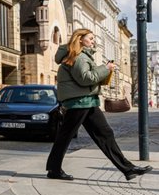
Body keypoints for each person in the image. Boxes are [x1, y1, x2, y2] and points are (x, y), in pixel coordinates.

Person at [46, 28, 151, 181]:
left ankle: (127, 169)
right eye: (90, 38)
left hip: (86, 101)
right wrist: (105, 68)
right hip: (79, 102)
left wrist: (104, 71)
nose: (93, 41)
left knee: (104, 134)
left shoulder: (81, 56)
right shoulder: (79, 57)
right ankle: (54, 170)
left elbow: (88, 77)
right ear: (80, 39)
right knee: (67, 136)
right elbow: (86, 78)